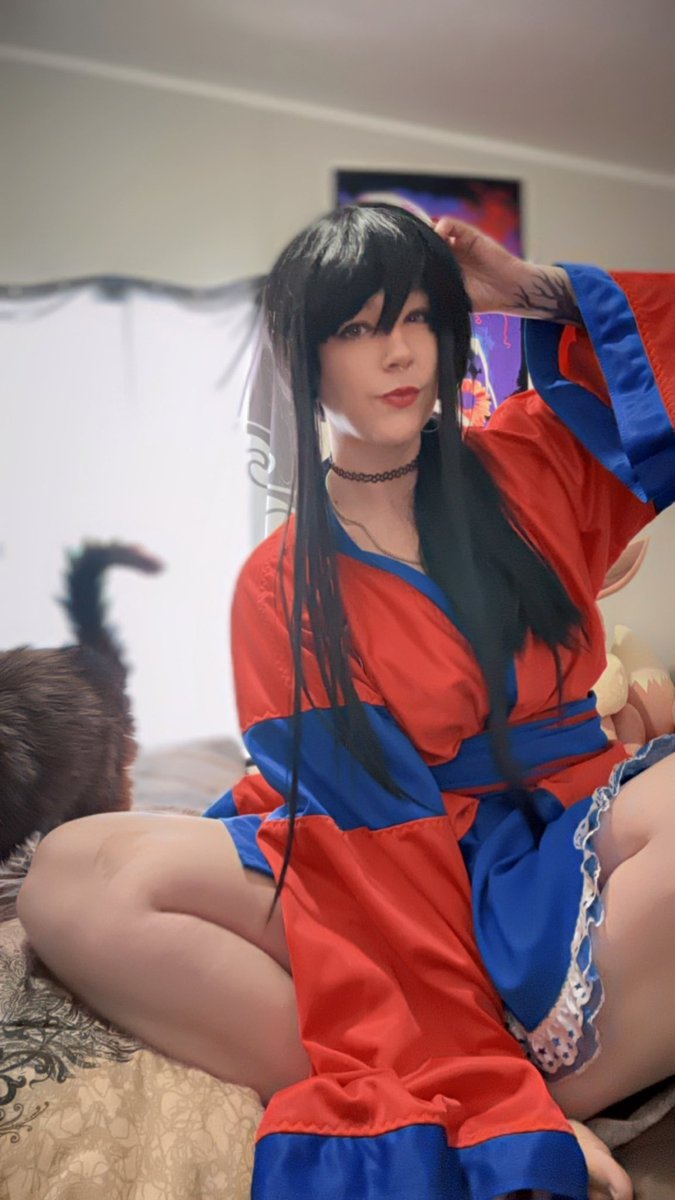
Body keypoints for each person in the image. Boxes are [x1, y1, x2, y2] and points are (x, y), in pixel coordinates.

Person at [17, 204, 675, 1200]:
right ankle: (452, 1097)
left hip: (560, 831)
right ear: (303, 358)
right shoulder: (282, 586)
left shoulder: (533, 462)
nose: (398, 351)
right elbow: (378, 848)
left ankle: (505, 1078)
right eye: (357, 327)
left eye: (416, 316)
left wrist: (532, 290)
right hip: (375, 857)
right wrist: (492, 1096)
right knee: (70, 875)